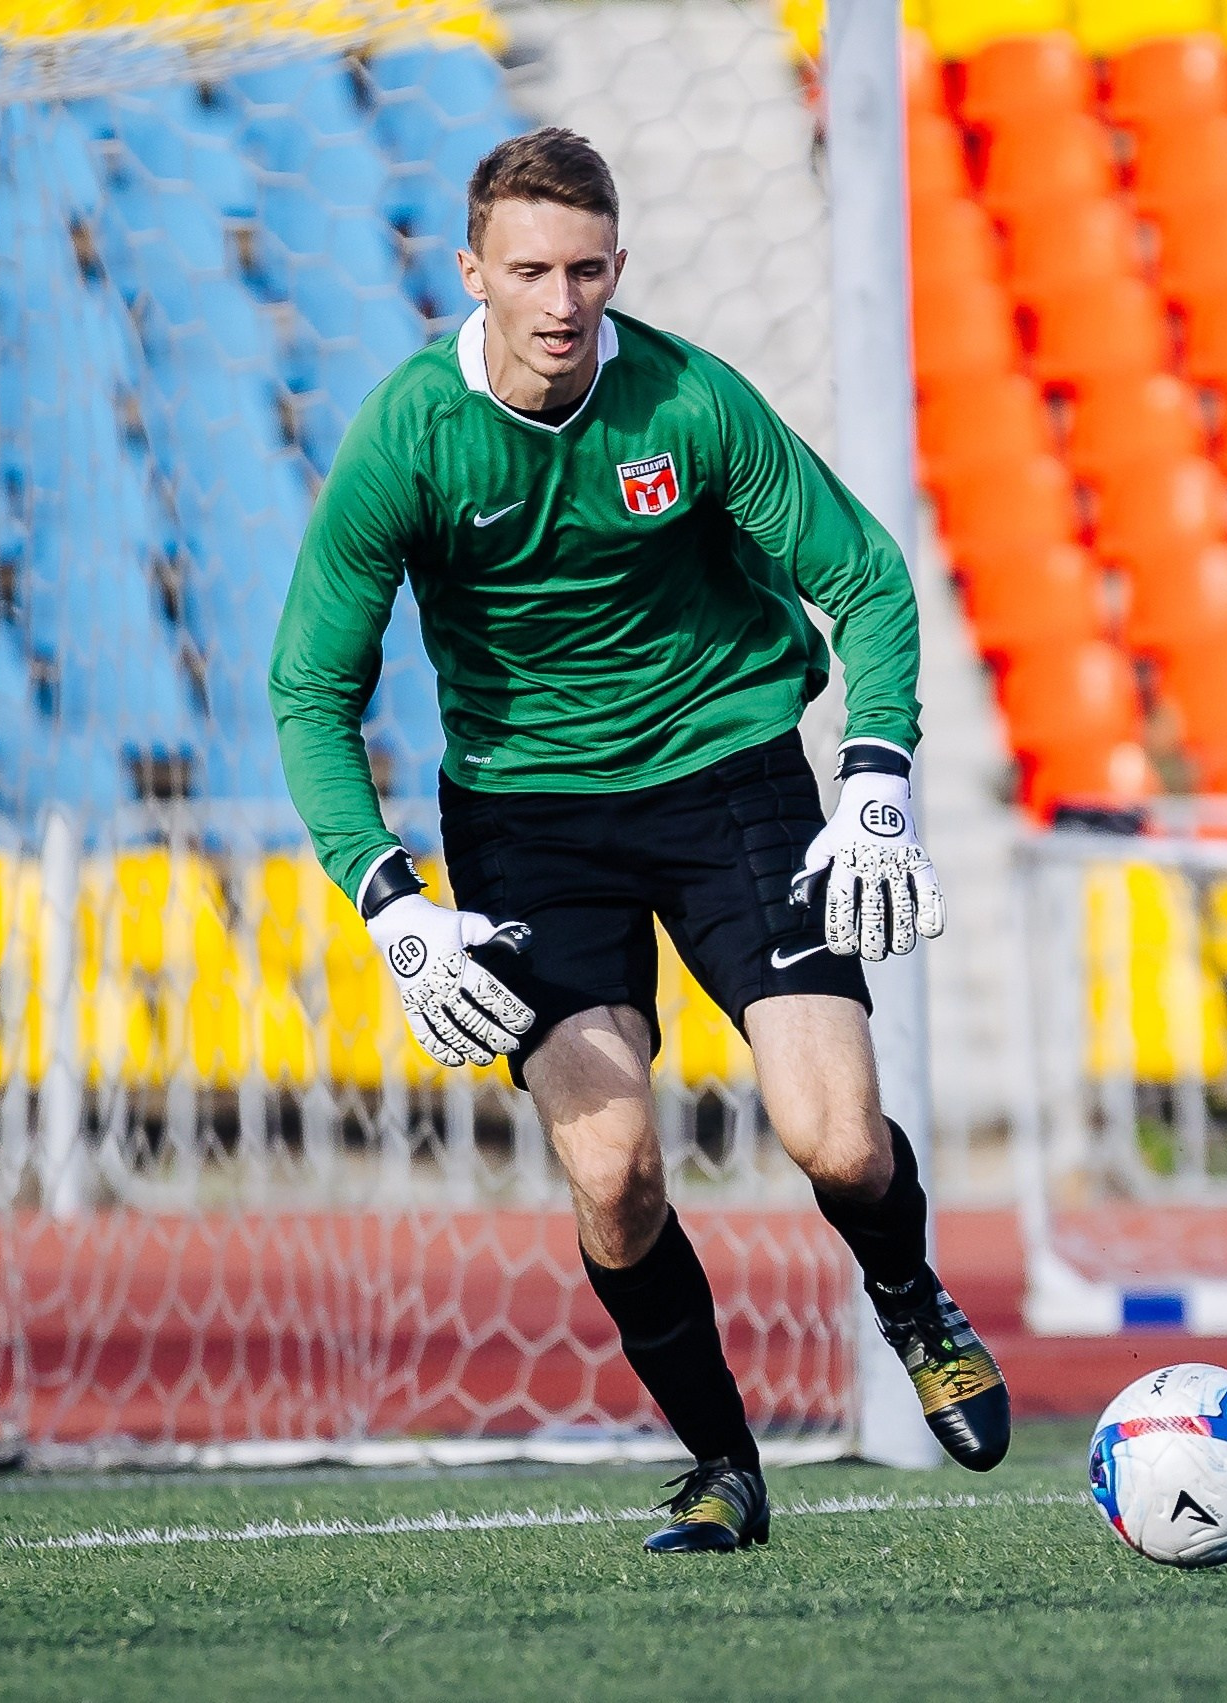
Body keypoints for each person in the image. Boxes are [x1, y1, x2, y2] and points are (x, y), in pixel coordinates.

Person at [268, 129, 1007, 1555]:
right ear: (471, 271)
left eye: (588, 270)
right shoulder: (406, 437)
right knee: (611, 1173)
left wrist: (873, 775)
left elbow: (863, 576)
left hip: (728, 778)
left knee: (838, 1141)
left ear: (620, 269)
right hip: (526, 814)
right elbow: (312, 690)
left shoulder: (689, 402)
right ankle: (723, 1462)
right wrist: (390, 904)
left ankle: (909, 1300)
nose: (561, 301)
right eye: (531, 270)